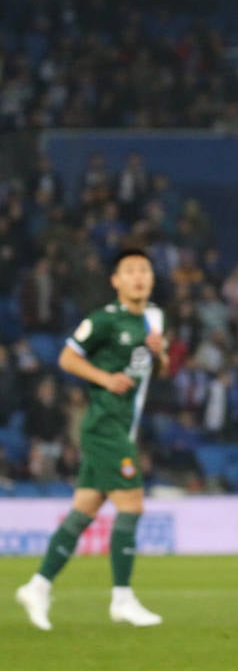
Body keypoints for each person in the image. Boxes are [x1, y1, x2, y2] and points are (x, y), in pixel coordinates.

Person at [15, 248, 167, 630]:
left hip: (123, 425)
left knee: (83, 510)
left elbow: (155, 372)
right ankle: (122, 598)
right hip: (105, 427)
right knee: (131, 504)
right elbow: (67, 358)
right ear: (115, 280)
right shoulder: (102, 320)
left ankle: (38, 585)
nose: (138, 276)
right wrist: (104, 379)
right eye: (129, 270)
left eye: (144, 270)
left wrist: (160, 356)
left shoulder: (153, 319)